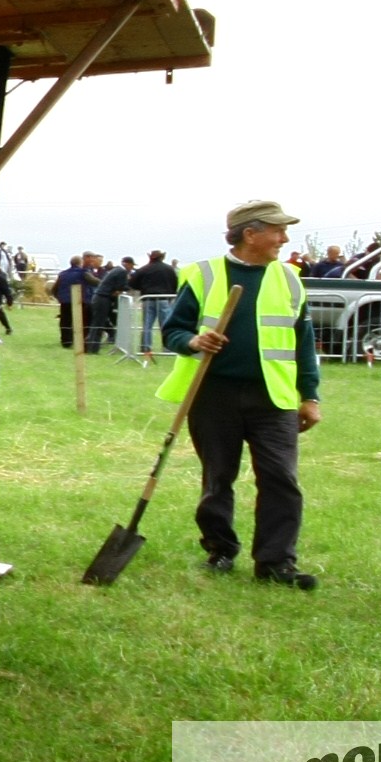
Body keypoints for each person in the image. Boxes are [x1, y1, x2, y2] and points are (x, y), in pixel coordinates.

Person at [160, 200, 324, 588]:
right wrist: (194, 341)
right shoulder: (203, 275)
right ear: (250, 234)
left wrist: (310, 396)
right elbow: (172, 331)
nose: (284, 239)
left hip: (273, 398)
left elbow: (304, 342)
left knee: (281, 478)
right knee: (218, 477)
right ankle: (220, 549)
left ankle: (276, 562)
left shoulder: (290, 279)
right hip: (213, 395)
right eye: (277, 230)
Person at [53, 252, 94, 347]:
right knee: (81, 321)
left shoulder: (62, 274)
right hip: (79, 300)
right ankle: (81, 341)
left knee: (65, 321)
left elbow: (55, 288)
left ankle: (66, 341)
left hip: (65, 301)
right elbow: (94, 281)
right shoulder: (83, 273)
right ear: (80, 263)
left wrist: (59, 297)